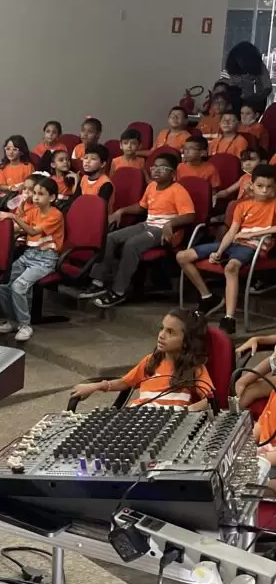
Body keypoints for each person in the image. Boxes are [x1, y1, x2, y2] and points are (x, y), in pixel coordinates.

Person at [80, 154, 196, 309]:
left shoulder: (178, 190)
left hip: (163, 230)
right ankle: (98, 281)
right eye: (154, 167)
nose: (156, 170)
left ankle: (119, 290)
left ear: (173, 173)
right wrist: (121, 211)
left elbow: (190, 215)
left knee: (131, 245)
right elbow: (142, 207)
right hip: (147, 224)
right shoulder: (151, 186)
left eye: (162, 168)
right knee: (110, 238)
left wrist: (171, 223)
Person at [176, 164, 276, 329]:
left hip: (253, 246)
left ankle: (229, 318)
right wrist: (219, 251)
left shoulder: (274, 204)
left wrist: (251, 234)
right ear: (251, 185)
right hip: (234, 243)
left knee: (231, 267)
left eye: (269, 187)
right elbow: (231, 232)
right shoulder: (242, 205)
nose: (264, 191)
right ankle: (207, 297)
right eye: (260, 186)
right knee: (182, 256)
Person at [70, 309, 214, 410]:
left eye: (170, 332)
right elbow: (124, 382)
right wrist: (94, 386)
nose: (161, 335)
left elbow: (210, 399)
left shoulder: (194, 368)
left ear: (187, 341)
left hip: (169, 422)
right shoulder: (151, 361)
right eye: (162, 328)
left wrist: (186, 413)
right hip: (137, 416)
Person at [0, 174, 64, 342]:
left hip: (45, 259)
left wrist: (13, 217)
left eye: (41, 194)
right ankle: (13, 321)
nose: (36, 197)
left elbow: (32, 231)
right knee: (1, 285)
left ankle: (25, 325)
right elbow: (18, 227)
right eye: (35, 193)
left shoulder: (55, 215)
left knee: (18, 286)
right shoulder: (34, 211)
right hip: (29, 255)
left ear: (52, 198)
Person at [221, 40, 273, 110]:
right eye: (238, 58)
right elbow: (223, 84)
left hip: (251, 101)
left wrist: (257, 97)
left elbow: (267, 87)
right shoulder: (231, 67)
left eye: (243, 59)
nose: (240, 61)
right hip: (232, 100)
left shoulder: (259, 66)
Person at [215, 145, 261, 212]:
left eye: (252, 159)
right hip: (239, 209)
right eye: (244, 160)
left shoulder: (263, 179)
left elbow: (262, 199)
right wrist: (216, 196)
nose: (247, 163)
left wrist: (249, 192)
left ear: (263, 161)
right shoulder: (244, 177)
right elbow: (227, 191)